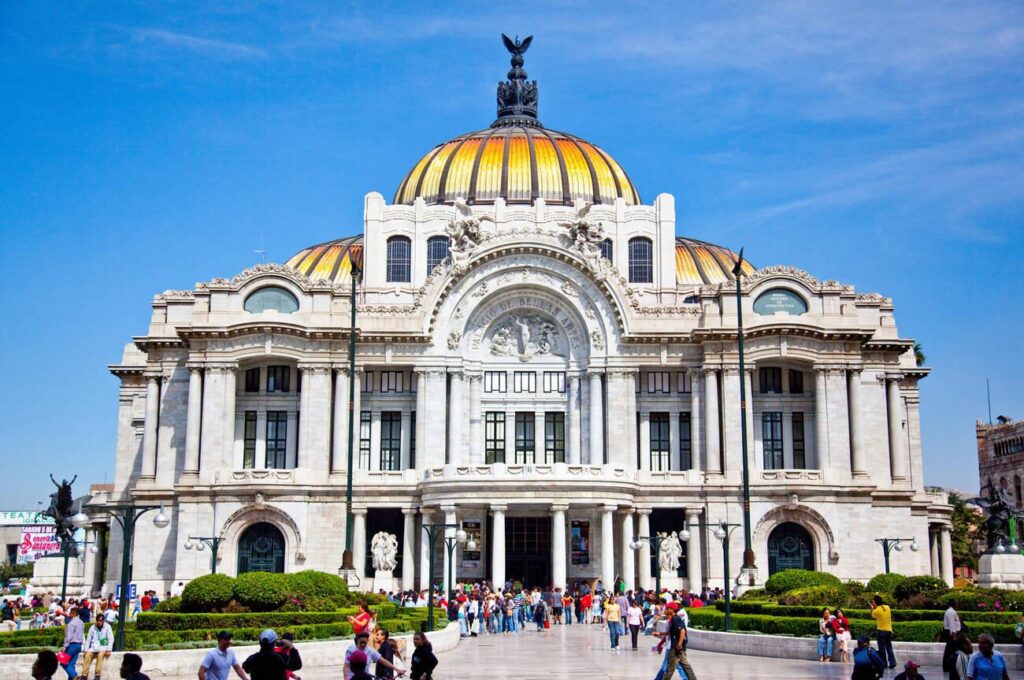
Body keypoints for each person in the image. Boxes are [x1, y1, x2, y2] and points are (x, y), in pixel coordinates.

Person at [663, 600, 698, 680]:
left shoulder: (676, 619)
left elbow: (682, 630)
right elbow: (671, 632)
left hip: (676, 647)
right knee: (686, 666)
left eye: (667, 608)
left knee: (670, 667)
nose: (666, 610)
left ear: (672, 609)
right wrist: (660, 634)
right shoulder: (673, 619)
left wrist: (679, 644)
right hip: (679, 647)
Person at [81, 614, 114, 680]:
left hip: (103, 647)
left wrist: (109, 650)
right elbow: (88, 639)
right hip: (93, 647)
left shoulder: (108, 627)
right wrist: (86, 649)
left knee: (100, 655)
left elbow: (111, 639)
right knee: (87, 655)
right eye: (98, 621)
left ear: (103, 620)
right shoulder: (92, 627)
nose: (99, 622)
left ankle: (97, 675)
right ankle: (84, 675)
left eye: (100, 621)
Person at [870, 595, 897, 669]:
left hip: (881, 631)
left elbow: (873, 616)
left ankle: (883, 663)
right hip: (889, 631)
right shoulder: (887, 607)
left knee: (882, 649)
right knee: (889, 647)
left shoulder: (876, 611)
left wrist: (872, 608)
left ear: (875, 602)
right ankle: (892, 662)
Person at [62, 607, 85, 679]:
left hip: (72, 645)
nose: (69, 614)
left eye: (70, 613)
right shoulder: (81, 622)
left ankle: (75, 676)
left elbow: (69, 637)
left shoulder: (71, 623)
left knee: (63, 662)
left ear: (73, 614)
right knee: (72, 664)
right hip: (79, 645)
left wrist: (64, 646)